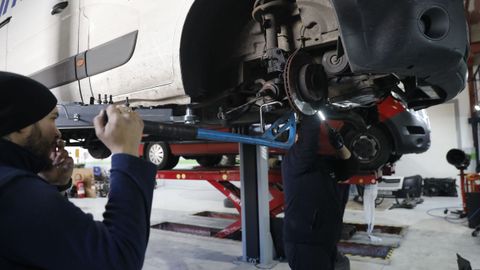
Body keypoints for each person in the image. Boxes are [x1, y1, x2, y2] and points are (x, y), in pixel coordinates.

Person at [0, 71, 157, 270]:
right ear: (21, 126)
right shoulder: (12, 192)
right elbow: (118, 258)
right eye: (52, 119)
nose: (57, 132)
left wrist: (47, 185)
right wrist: (125, 152)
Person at [282, 114, 358, 270]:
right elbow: (308, 142)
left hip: (326, 240)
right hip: (305, 244)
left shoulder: (324, 163)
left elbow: (351, 168)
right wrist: (310, 110)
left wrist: (339, 145)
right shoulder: (294, 161)